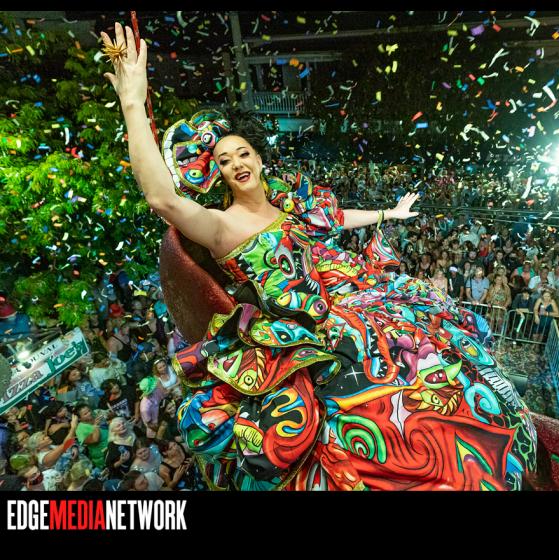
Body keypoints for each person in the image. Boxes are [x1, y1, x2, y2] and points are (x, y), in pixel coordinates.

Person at [102, 22, 535, 491]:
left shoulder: (290, 203)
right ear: (217, 174)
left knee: (431, 362)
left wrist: (389, 213)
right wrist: (133, 100)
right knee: (376, 414)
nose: (236, 164)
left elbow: (338, 217)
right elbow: (162, 199)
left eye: (242, 153)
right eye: (224, 161)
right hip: (297, 337)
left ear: (259, 158)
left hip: (346, 305)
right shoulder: (220, 226)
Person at [74, 404, 109, 470]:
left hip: (113, 447)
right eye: (85, 414)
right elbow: (95, 439)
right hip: (103, 457)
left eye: (89, 411)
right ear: (79, 418)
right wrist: (96, 426)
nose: (89, 413)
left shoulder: (95, 416)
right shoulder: (80, 430)